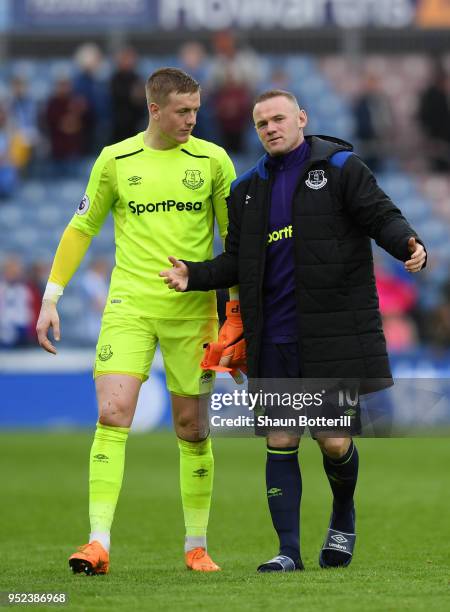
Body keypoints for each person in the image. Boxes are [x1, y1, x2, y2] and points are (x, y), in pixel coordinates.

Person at [160, 89, 427, 573]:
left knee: (332, 441)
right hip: (274, 336)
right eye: (261, 124)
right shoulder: (245, 191)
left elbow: (380, 215)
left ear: (301, 118)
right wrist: (194, 276)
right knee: (280, 439)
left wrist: (408, 243)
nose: (271, 129)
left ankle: (343, 516)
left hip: (331, 332)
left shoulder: (342, 168)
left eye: (279, 119)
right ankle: (288, 551)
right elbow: (236, 261)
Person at [36, 68, 236, 574]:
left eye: (196, 109)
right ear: (154, 108)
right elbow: (82, 227)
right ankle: (97, 542)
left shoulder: (213, 161)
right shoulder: (115, 160)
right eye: (182, 111)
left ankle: (196, 545)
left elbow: (236, 243)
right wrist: (51, 297)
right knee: (113, 412)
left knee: (192, 429)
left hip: (193, 312)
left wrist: (236, 313)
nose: (193, 119)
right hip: (129, 305)